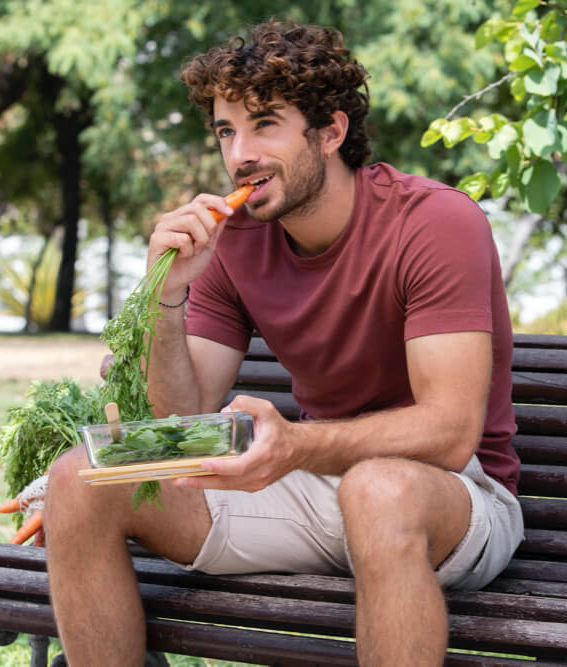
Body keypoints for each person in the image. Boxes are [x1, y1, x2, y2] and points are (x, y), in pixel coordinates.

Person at [44, 19, 522, 666]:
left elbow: (451, 430)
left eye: (265, 123)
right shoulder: (232, 238)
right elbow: (181, 425)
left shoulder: (434, 222)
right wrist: (166, 298)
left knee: (377, 489)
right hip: (315, 482)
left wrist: (296, 444)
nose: (239, 152)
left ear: (330, 132)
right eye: (225, 130)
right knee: (80, 476)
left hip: (453, 495)